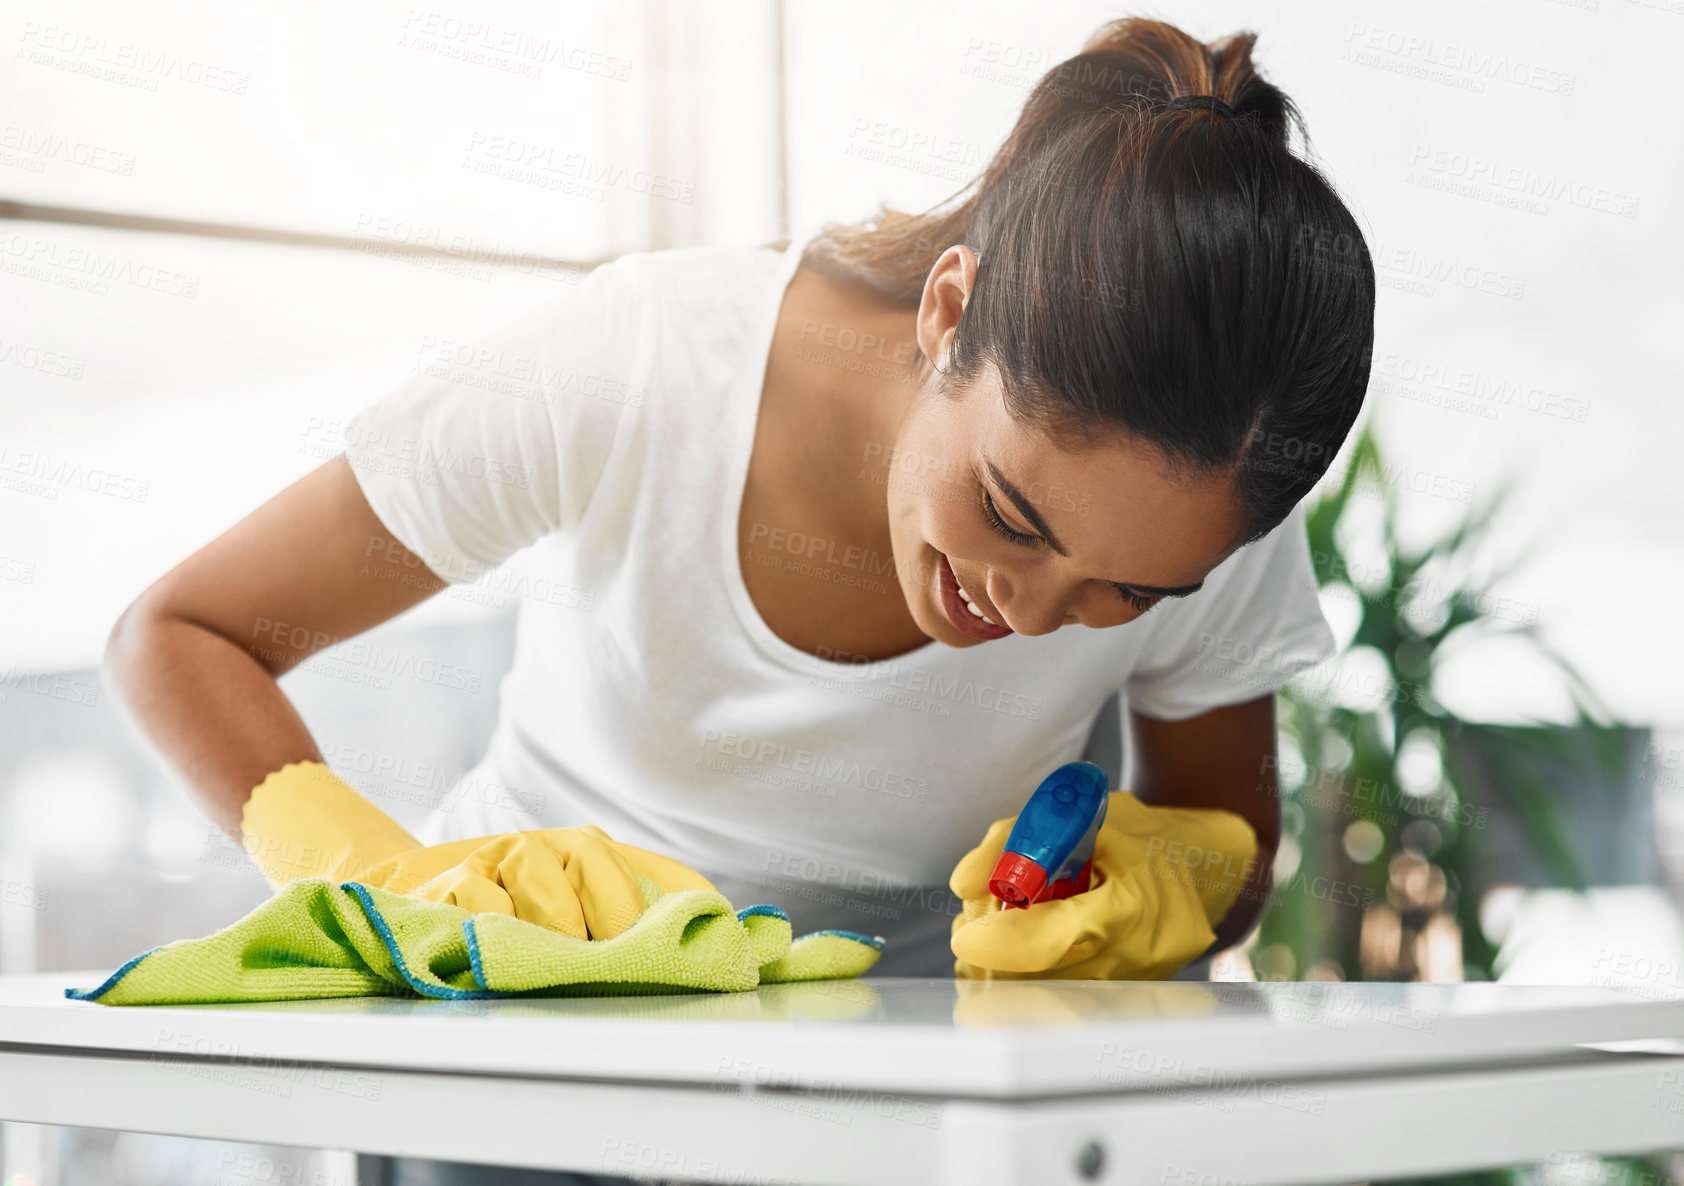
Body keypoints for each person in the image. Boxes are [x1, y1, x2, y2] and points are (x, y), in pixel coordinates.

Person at [103, 16, 1373, 1184]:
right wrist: (386, 889)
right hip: (516, 1077)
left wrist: (1162, 886)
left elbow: (1232, 851)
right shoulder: (645, 359)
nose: (1035, 613)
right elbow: (180, 634)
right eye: (1011, 514)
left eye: (1128, 593)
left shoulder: (1212, 499)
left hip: (900, 1108)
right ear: (948, 309)